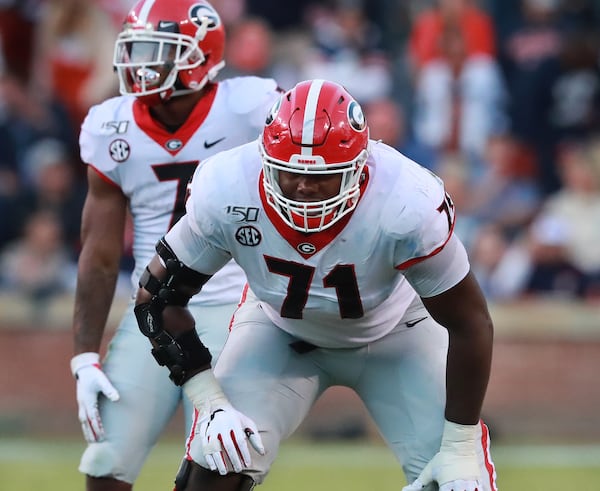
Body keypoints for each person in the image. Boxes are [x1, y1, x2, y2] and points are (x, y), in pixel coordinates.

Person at [134, 79, 498, 491]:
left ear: (361, 168)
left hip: (397, 334)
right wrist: (211, 404)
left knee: (458, 483)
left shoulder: (405, 200)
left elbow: (471, 323)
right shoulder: (227, 188)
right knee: (217, 462)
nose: (304, 187)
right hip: (279, 333)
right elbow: (156, 299)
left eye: (324, 176)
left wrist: (460, 445)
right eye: (289, 173)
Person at [69, 0, 283, 490]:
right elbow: (98, 254)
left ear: (198, 57)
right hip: (153, 307)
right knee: (105, 462)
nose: (139, 64)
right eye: (135, 49)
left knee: (215, 464)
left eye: (155, 51)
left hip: (238, 306)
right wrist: (84, 356)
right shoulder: (111, 125)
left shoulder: (251, 106)